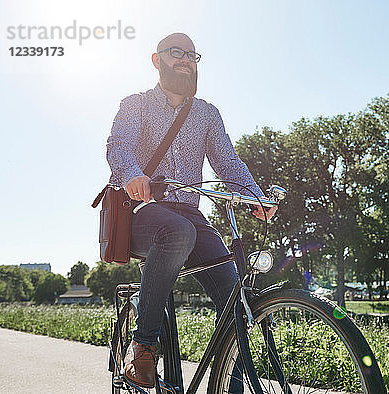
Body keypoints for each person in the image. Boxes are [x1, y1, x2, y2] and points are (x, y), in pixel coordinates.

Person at [106, 32, 276, 389]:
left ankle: (231, 380)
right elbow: (118, 145)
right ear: (157, 60)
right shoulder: (135, 104)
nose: (185, 60)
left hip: (191, 214)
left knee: (235, 298)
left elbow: (227, 163)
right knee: (176, 232)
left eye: (192, 55)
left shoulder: (207, 114)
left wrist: (256, 196)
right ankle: (143, 347)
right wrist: (133, 175)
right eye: (176, 53)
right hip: (142, 211)